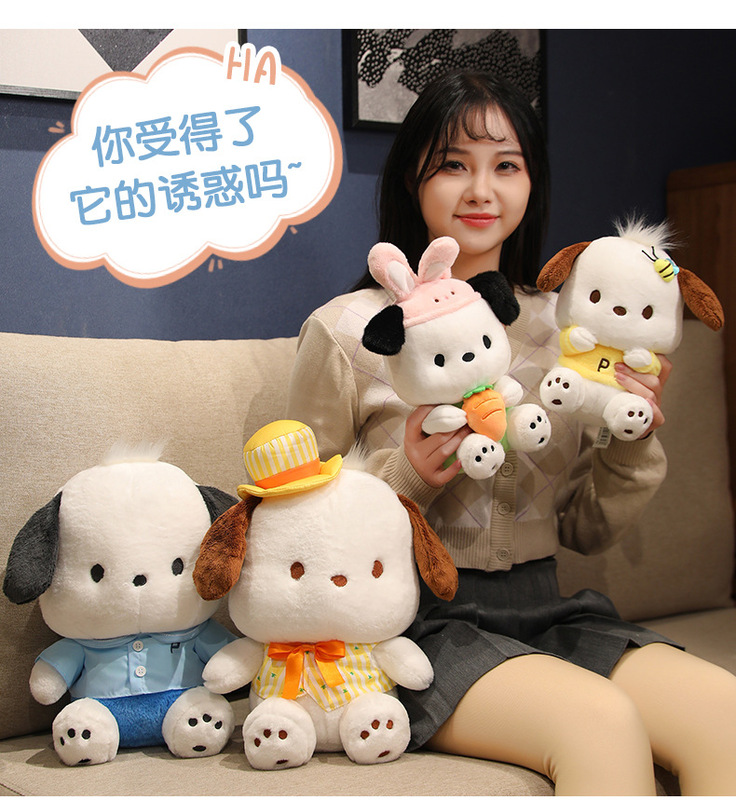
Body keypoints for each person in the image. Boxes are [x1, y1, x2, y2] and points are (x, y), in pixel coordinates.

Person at [285, 70, 736, 795]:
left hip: (549, 608)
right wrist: (406, 477)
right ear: (410, 180)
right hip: (412, 625)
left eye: (506, 166)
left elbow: (586, 528)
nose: (481, 191)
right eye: (452, 164)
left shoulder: (567, 330)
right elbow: (292, 525)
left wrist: (630, 437)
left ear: (533, 182)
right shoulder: (350, 331)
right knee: (599, 723)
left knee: (725, 713)